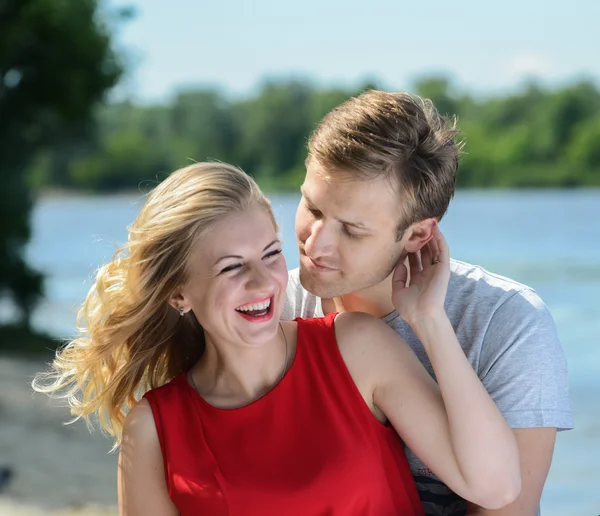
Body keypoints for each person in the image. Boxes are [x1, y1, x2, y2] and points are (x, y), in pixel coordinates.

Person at [33, 163, 520, 516]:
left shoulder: (356, 348)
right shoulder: (154, 428)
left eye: (270, 254)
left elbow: (497, 488)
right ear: (179, 293)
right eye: (231, 267)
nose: (263, 281)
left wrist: (429, 319)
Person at [283, 90, 574, 516]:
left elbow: (508, 507)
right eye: (312, 206)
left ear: (418, 235)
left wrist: (428, 321)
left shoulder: (508, 323)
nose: (314, 242)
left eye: (352, 230)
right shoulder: (269, 308)